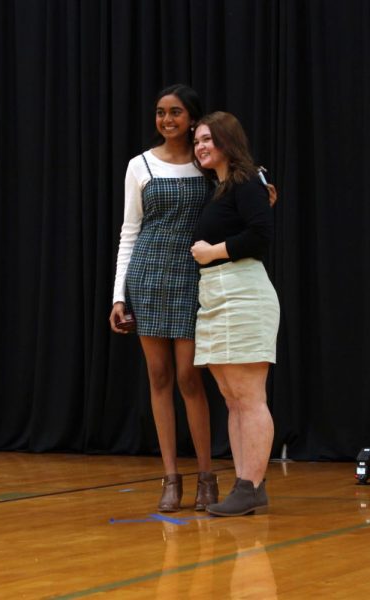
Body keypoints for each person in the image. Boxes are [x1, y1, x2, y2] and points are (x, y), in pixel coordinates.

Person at [109, 84, 218, 512]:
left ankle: (206, 477)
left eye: (175, 113)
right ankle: (170, 477)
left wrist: (264, 190)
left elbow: (244, 180)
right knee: (159, 378)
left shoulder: (206, 161)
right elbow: (129, 232)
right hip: (148, 277)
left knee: (191, 378)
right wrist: (119, 295)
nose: (167, 120)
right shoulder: (140, 165)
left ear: (192, 119)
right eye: (160, 113)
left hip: (192, 276)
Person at [190, 111, 279, 517]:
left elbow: (261, 235)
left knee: (248, 397)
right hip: (217, 293)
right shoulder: (223, 187)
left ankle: (250, 484)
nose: (201, 147)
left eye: (208, 139)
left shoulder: (246, 180)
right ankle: (248, 485)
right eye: (197, 142)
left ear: (227, 140)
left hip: (242, 291)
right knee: (231, 398)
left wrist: (214, 252)